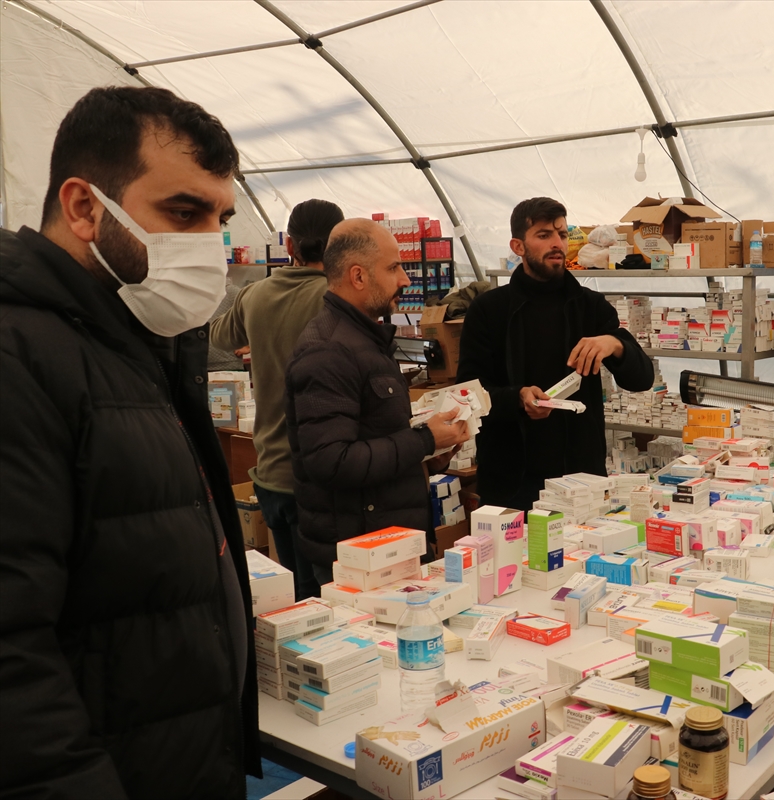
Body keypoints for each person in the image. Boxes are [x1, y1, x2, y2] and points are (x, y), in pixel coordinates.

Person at [0, 86, 258, 798]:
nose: (211, 242)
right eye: (183, 212)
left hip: (179, 755)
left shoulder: (132, 341)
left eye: (220, 218)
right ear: (84, 208)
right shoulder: (20, 357)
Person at [285, 219, 469, 582]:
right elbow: (330, 461)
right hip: (359, 557)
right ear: (358, 277)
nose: (405, 279)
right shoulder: (329, 350)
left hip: (387, 544)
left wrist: (429, 457)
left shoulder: (366, 341)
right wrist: (423, 440)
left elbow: (374, 437)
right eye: (393, 267)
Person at [457, 197, 655, 510]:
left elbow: (643, 378)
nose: (557, 243)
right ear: (518, 246)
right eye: (544, 234)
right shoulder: (489, 310)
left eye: (562, 234)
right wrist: (517, 398)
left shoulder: (590, 307)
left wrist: (614, 344)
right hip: (512, 484)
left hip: (581, 483)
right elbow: (467, 392)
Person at [211, 199, 344, 599]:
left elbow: (218, 337)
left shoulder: (255, 295)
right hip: (322, 474)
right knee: (335, 599)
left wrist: (262, 339)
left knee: (293, 599)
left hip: (270, 470)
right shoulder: (337, 299)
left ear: (290, 245)